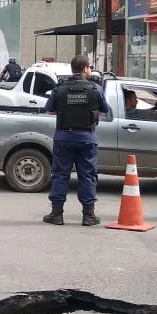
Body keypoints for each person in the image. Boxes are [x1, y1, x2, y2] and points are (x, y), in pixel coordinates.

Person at [43, 55, 111, 227]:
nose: (90, 70)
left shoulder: (60, 88)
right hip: (87, 138)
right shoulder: (95, 89)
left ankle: (57, 214)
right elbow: (105, 109)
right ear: (85, 69)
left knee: (60, 175)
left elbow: (49, 110)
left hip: (64, 137)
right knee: (87, 176)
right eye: (89, 67)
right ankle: (88, 216)